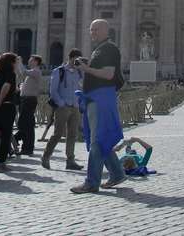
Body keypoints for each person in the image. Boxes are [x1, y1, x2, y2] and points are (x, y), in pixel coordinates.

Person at [70, 19, 125, 194]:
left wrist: (87, 69)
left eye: (95, 29)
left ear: (105, 30)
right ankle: (117, 173)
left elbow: (109, 74)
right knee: (101, 139)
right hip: (96, 98)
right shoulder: (100, 49)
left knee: (97, 140)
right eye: (91, 29)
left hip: (101, 98)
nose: (92, 33)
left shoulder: (108, 48)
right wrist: (88, 65)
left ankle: (91, 182)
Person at [42, 49, 84, 170]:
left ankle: (70, 160)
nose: (77, 62)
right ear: (71, 58)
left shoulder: (79, 73)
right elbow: (53, 91)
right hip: (63, 107)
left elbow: (82, 86)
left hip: (75, 106)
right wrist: (61, 103)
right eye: (76, 60)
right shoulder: (58, 71)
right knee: (58, 134)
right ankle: (46, 156)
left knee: (73, 134)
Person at [0, 52, 18, 170]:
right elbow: (7, 86)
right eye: (15, 61)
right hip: (6, 106)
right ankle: (2, 162)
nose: (17, 64)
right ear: (11, 62)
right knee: (6, 135)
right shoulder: (11, 74)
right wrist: (0, 99)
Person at [14, 54, 43, 155]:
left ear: (36, 61)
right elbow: (20, 73)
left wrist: (19, 62)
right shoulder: (33, 73)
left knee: (25, 123)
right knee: (26, 123)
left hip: (29, 100)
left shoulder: (36, 71)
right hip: (26, 100)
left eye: (31, 60)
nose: (29, 61)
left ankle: (21, 142)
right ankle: (22, 143)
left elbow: (23, 72)